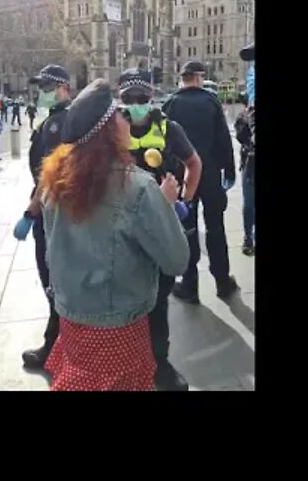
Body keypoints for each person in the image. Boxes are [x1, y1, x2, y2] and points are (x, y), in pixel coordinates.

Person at [36, 79, 190, 391]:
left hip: (72, 318)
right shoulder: (137, 188)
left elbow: (52, 252)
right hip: (118, 323)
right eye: (118, 114)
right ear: (108, 130)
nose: (126, 118)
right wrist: (165, 205)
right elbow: (176, 260)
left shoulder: (54, 180)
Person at [117, 68, 203, 391]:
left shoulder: (169, 128)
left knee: (159, 298)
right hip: (124, 230)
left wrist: (187, 199)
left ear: (151, 97)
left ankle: (159, 363)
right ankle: (127, 359)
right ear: (121, 99)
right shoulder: (114, 130)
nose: (136, 104)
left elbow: (194, 163)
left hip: (162, 223)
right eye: (129, 99)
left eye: (141, 98)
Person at [162, 60, 239, 303]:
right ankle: (222, 281)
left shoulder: (171, 104)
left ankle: (190, 285)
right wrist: (229, 169)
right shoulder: (211, 102)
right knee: (216, 227)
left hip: (184, 177)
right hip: (211, 175)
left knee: (188, 229)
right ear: (198, 78)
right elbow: (223, 140)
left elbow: (165, 144)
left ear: (182, 78)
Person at [20, 65, 73, 369]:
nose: (41, 92)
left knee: (52, 277)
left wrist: (32, 210)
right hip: (57, 208)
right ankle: (58, 342)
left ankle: (55, 346)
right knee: (55, 278)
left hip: (53, 210)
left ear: (64, 87)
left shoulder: (57, 123)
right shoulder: (57, 119)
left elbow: (50, 173)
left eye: (47, 86)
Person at [235, 42, 256, 256]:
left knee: (250, 203)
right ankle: (249, 236)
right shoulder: (246, 114)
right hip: (250, 160)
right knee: (249, 203)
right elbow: (241, 135)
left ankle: (250, 237)